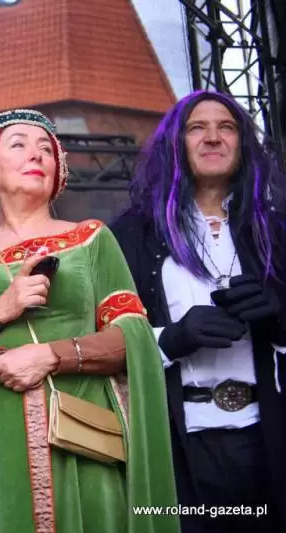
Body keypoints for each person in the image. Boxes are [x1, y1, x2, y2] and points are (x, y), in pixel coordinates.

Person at [0, 109, 180, 533]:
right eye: (19, 144)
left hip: (81, 424)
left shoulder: (90, 239)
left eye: (46, 148)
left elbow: (131, 337)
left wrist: (50, 355)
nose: (37, 154)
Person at [111, 90, 286, 532]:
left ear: (242, 144)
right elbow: (101, 336)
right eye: (196, 128)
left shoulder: (276, 231)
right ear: (175, 144)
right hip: (177, 444)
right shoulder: (132, 234)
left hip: (268, 439)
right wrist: (167, 341)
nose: (212, 137)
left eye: (226, 127)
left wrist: (280, 323)